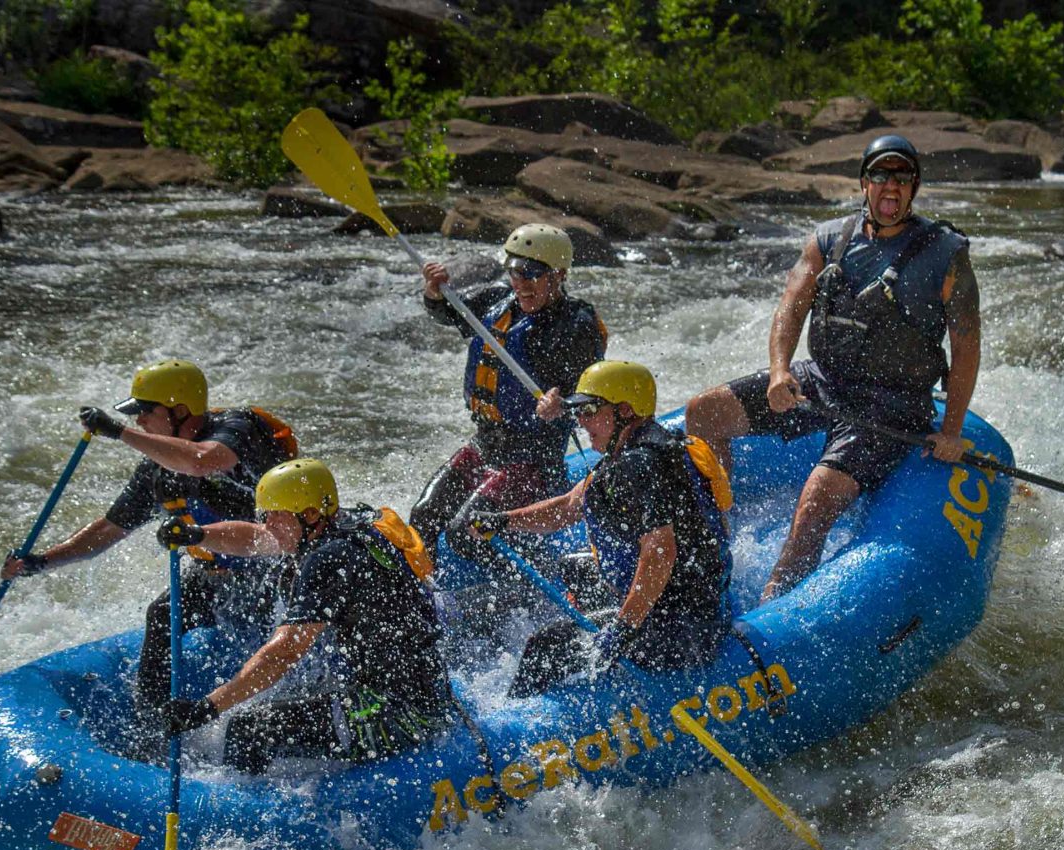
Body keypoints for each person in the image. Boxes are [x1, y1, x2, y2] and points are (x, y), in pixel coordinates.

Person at [684, 133, 981, 601]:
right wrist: (780, 370)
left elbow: (967, 347)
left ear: (914, 187)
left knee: (814, 504)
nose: (891, 186)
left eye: (902, 177)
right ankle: (719, 536)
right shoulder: (827, 240)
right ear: (864, 183)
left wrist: (953, 428)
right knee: (703, 413)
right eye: (881, 175)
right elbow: (790, 308)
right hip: (824, 383)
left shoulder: (945, 254)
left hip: (891, 405)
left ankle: (772, 610)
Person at [2, 360, 298, 743]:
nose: (140, 421)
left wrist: (117, 431)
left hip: (282, 571)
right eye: (135, 416)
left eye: (146, 412)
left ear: (179, 411)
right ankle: (154, 729)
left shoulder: (238, 431)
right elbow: (107, 530)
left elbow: (201, 460)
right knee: (162, 615)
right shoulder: (157, 472)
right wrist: (40, 562)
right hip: (221, 577)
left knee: (281, 638)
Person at [164, 459, 457, 774]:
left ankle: (242, 810)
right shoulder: (354, 523)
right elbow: (257, 538)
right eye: (266, 516)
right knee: (297, 696)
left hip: (401, 711)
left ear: (311, 515)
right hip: (425, 686)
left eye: (276, 517)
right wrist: (196, 535)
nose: (268, 525)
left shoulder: (327, 559)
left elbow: (285, 652)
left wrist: (208, 707)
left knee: (246, 728)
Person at [463, 361, 733, 697]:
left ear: (624, 411)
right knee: (574, 568)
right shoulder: (653, 447)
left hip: (679, 633)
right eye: (578, 412)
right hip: (703, 605)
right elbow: (568, 507)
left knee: (542, 648)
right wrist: (503, 519)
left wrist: (623, 628)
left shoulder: (637, 466)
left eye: (590, 410)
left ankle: (520, 724)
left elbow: (660, 551)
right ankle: (598, 632)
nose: (580, 421)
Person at [412, 223, 608, 571]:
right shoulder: (497, 302)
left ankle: (529, 579)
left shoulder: (576, 325)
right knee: (424, 514)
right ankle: (425, 594)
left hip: (533, 457)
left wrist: (562, 403)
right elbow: (446, 312)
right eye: (514, 270)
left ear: (558, 275)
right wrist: (433, 292)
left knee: (466, 531)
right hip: (486, 444)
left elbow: (593, 394)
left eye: (531, 273)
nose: (520, 281)